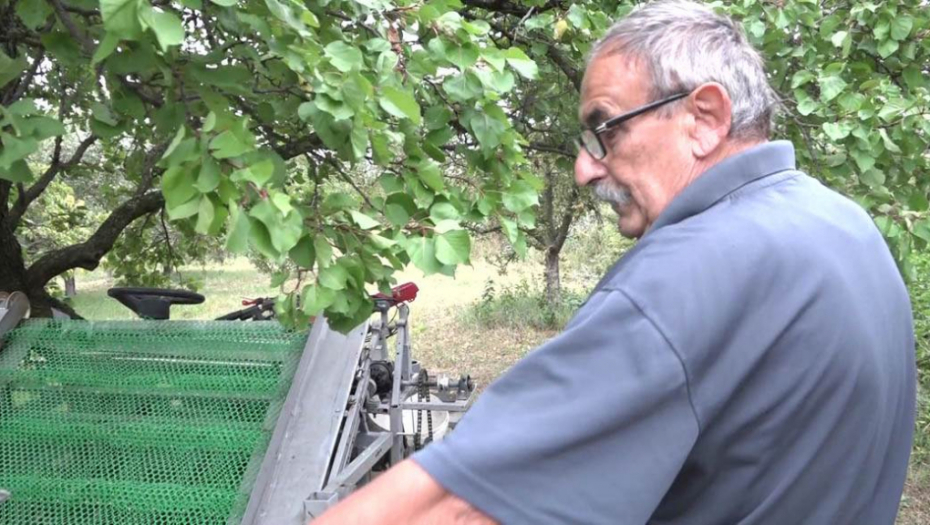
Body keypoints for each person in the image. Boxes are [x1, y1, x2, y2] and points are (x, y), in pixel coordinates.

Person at [314, 1, 917, 523]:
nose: (585, 168)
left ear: (703, 119)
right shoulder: (846, 227)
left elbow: (457, 508)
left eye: (606, 128)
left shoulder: (686, 273)